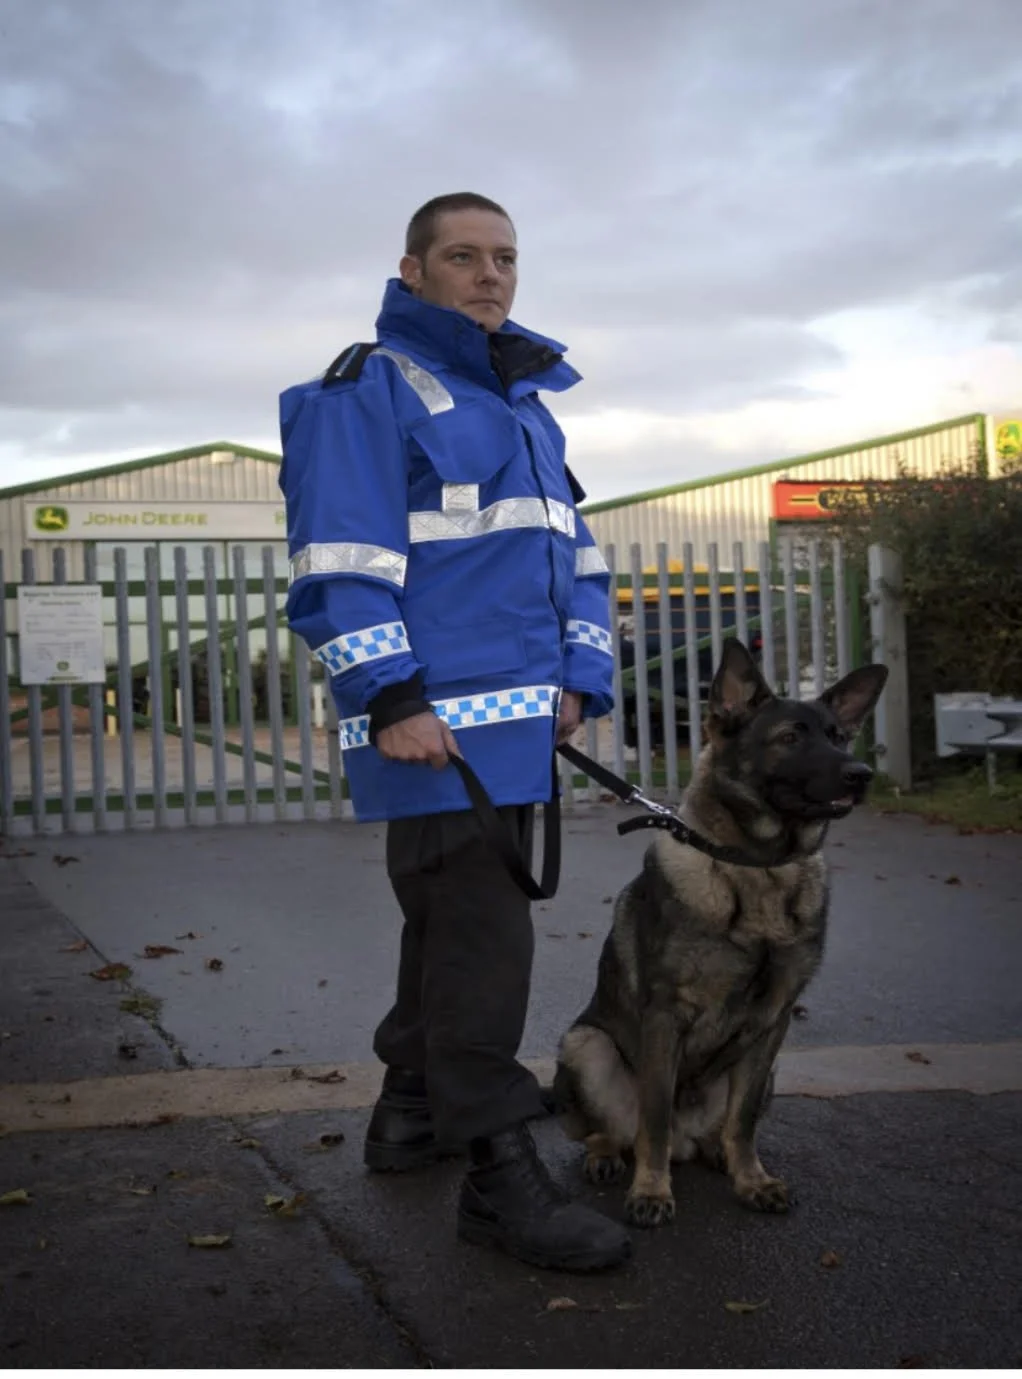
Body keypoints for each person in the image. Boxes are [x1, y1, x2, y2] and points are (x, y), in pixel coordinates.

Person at [278, 192, 631, 1273]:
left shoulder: (525, 402)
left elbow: (571, 553)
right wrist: (388, 697)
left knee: (445, 928)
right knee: (484, 947)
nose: (489, 275)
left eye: (505, 258)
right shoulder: (365, 390)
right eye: (464, 256)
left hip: (517, 727)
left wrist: (580, 676)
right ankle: (498, 1177)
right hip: (432, 726)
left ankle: (408, 1114)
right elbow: (339, 563)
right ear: (413, 268)